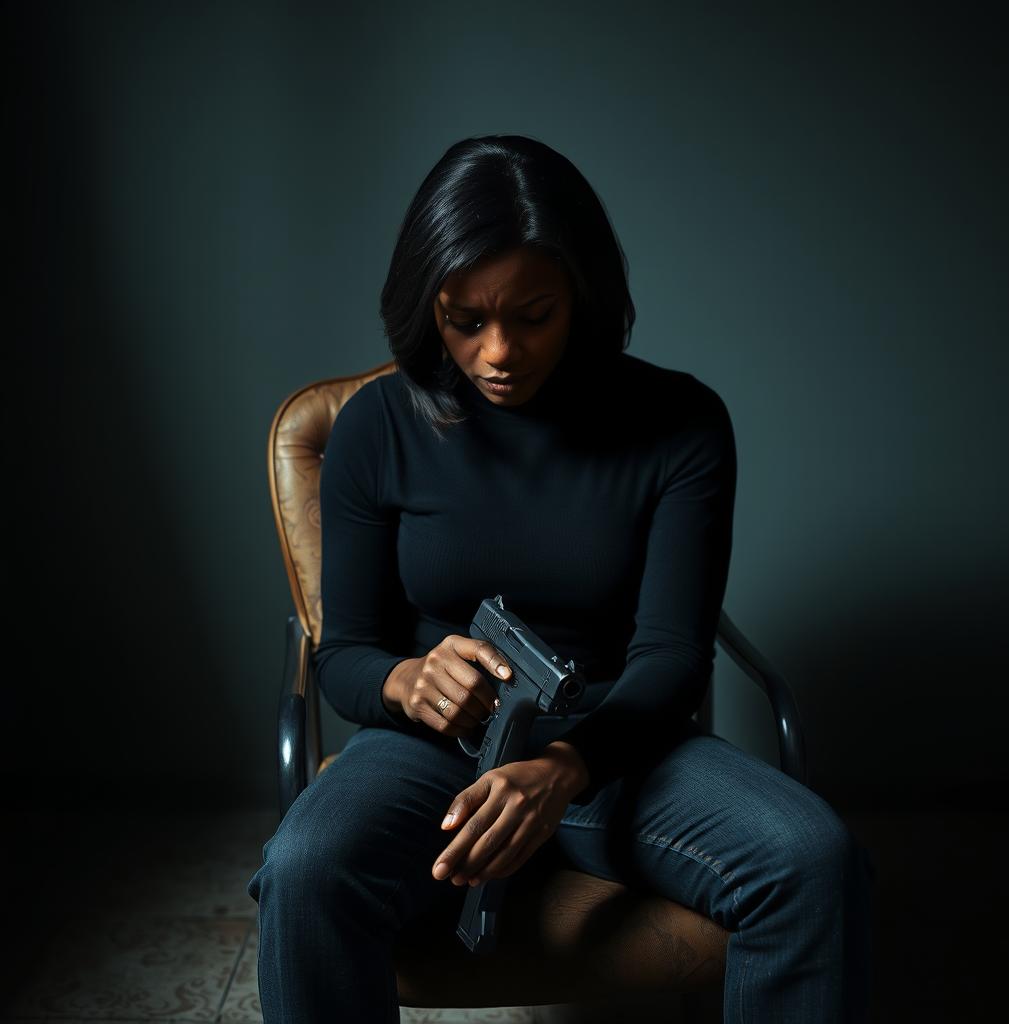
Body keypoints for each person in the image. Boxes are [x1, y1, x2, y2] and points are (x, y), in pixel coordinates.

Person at [246, 134, 875, 1022]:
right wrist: (406, 679)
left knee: (812, 858)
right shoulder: (373, 427)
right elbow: (346, 650)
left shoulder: (679, 424)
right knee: (304, 869)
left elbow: (672, 657)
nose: (499, 351)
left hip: (619, 753)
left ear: (582, 294)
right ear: (428, 303)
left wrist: (566, 766)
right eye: (466, 320)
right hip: (431, 759)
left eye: (532, 315)